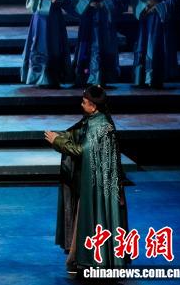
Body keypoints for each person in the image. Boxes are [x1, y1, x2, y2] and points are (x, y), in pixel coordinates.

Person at [45, 85, 129, 273]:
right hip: (98, 180)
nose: (81, 105)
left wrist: (57, 141)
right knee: (90, 217)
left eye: (84, 102)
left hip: (97, 184)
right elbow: (78, 132)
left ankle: (94, 259)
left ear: (93, 106)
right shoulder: (98, 119)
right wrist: (63, 136)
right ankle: (80, 255)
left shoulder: (99, 127)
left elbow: (81, 150)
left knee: (95, 216)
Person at [69, 0, 128, 87]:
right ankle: (85, 76)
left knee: (104, 45)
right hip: (88, 17)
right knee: (87, 45)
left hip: (105, 19)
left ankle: (102, 76)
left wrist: (104, 4)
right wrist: (88, 3)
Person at [20, 0, 72, 88]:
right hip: (41, 19)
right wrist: (50, 2)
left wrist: (79, 10)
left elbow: (68, 0)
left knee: (55, 45)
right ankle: (39, 77)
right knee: (41, 44)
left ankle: (55, 77)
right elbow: (30, 1)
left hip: (56, 19)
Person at [132, 0, 179, 89]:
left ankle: (155, 79)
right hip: (145, 16)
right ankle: (141, 78)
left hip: (159, 18)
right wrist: (144, 6)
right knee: (143, 45)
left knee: (156, 46)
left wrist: (158, 5)